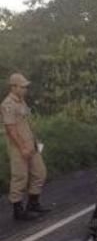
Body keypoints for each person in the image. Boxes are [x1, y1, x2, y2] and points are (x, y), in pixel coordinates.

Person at [1, 73, 51, 221]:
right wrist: (22, 147)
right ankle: (18, 210)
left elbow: (27, 122)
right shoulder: (7, 104)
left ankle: (33, 204)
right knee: (20, 177)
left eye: (25, 87)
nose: (25, 89)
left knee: (40, 173)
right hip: (18, 146)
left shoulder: (21, 101)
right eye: (22, 87)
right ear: (13, 86)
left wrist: (35, 140)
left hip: (31, 143)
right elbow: (11, 129)